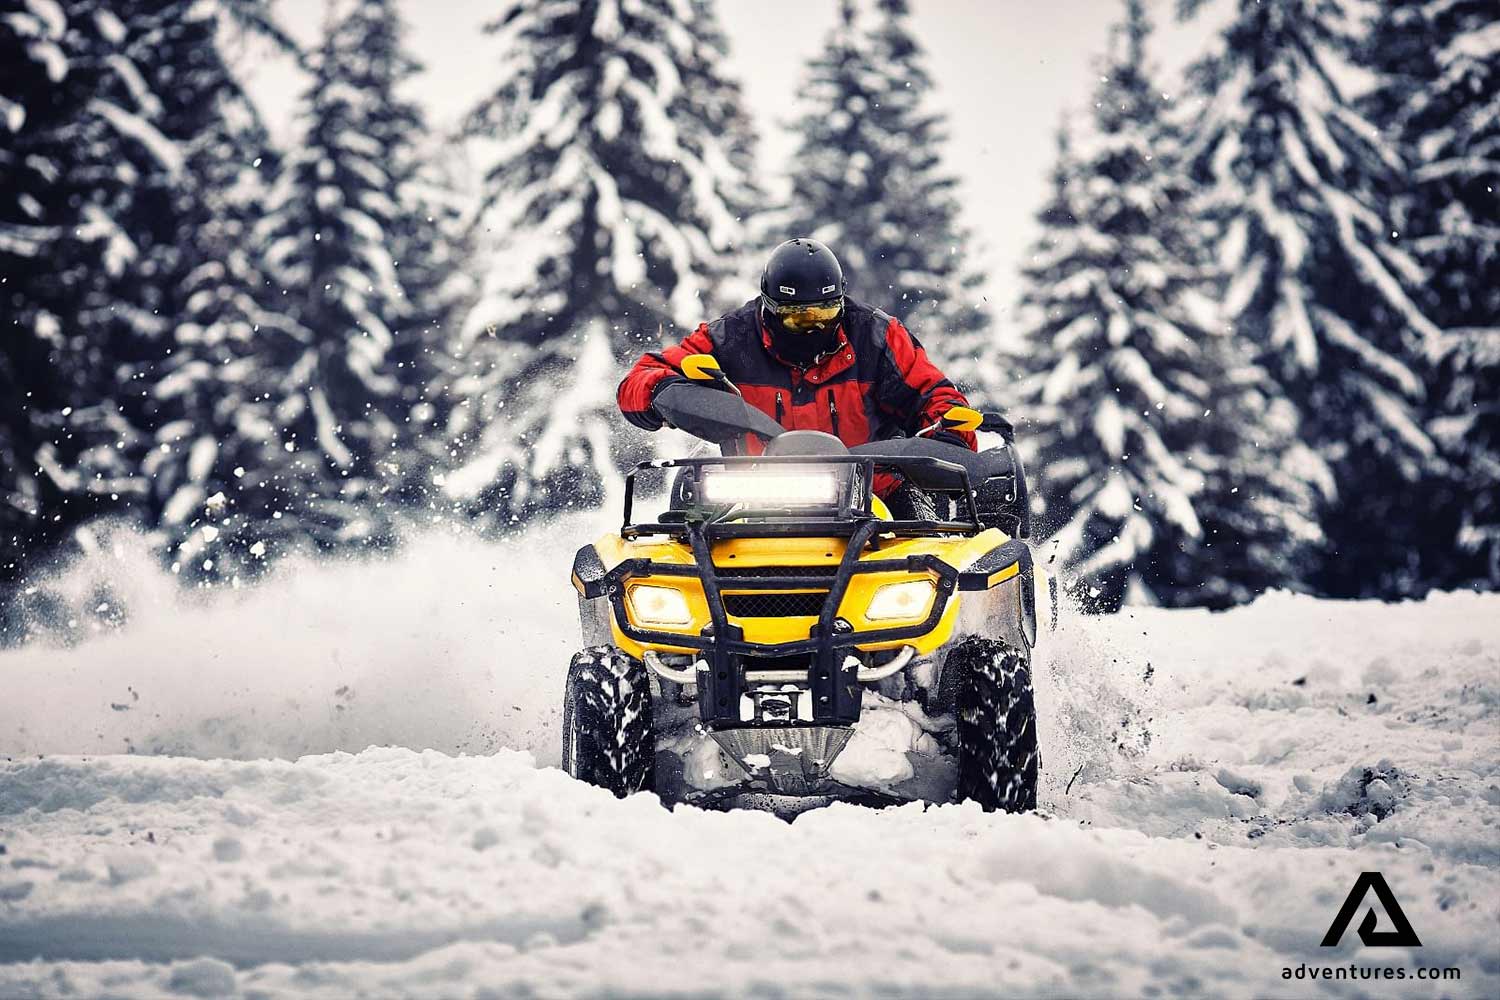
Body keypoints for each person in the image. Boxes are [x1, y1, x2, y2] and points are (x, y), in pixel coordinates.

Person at [617, 238, 977, 517]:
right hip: (749, 500)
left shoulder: (877, 337)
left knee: (937, 554)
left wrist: (948, 432)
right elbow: (641, 377)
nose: (815, 326)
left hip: (873, 496)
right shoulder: (731, 339)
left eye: (826, 312)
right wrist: (662, 391)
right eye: (798, 318)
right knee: (673, 543)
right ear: (770, 309)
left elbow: (936, 394)